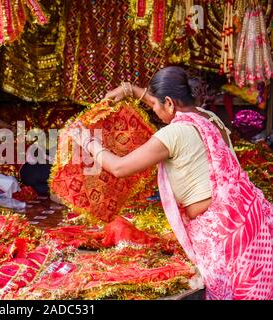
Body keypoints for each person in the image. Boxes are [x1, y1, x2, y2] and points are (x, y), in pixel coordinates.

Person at [68, 66, 273, 300]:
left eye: (155, 105)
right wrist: (132, 91)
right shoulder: (208, 117)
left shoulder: (172, 134)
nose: (153, 110)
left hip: (227, 237)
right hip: (253, 221)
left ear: (169, 102)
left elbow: (119, 167)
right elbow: (165, 106)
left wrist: (88, 141)